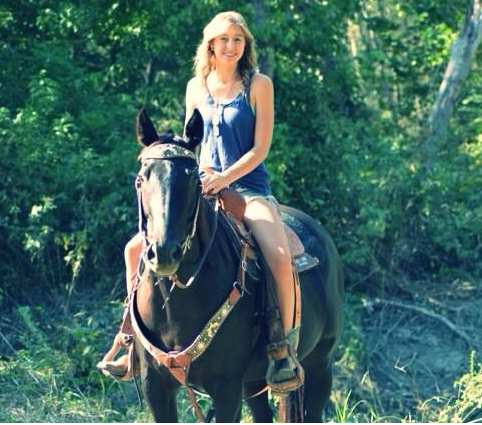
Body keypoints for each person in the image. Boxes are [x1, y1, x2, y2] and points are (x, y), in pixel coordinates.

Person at [98, 10, 303, 392]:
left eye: (238, 40)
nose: (231, 46)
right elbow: (195, 144)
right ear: (211, 43)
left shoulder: (259, 84)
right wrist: (201, 178)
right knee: (133, 250)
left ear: (246, 46)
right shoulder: (196, 87)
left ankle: (282, 349)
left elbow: (261, 148)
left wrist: (225, 178)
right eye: (224, 39)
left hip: (249, 189)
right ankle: (130, 343)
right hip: (204, 189)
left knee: (277, 255)